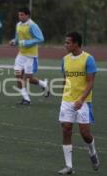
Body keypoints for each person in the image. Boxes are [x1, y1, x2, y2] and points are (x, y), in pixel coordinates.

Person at [57, 32, 99, 175]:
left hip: (83, 101)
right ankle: (68, 166)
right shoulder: (64, 60)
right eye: (65, 42)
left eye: (68, 43)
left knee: (85, 133)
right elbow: (66, 79)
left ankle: (92, 151)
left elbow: (90, 82)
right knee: (66, 129)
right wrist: (63, 96)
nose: (65, 45)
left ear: (76, 44)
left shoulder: (88, 59)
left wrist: (81, 100)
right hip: (67, 100)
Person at [9, 7, 49, 105]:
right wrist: (14, 42)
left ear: (27, 15)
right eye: (19, 14)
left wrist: (26, 43)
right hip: (21, 55)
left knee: (29, 78)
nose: (20, 16)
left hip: (31, 56)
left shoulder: (32, 25)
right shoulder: (18, 24)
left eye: (22, 14)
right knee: (18, 76)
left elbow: (40, 39)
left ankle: (43, 84)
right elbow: (17, 38)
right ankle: (26, 99)